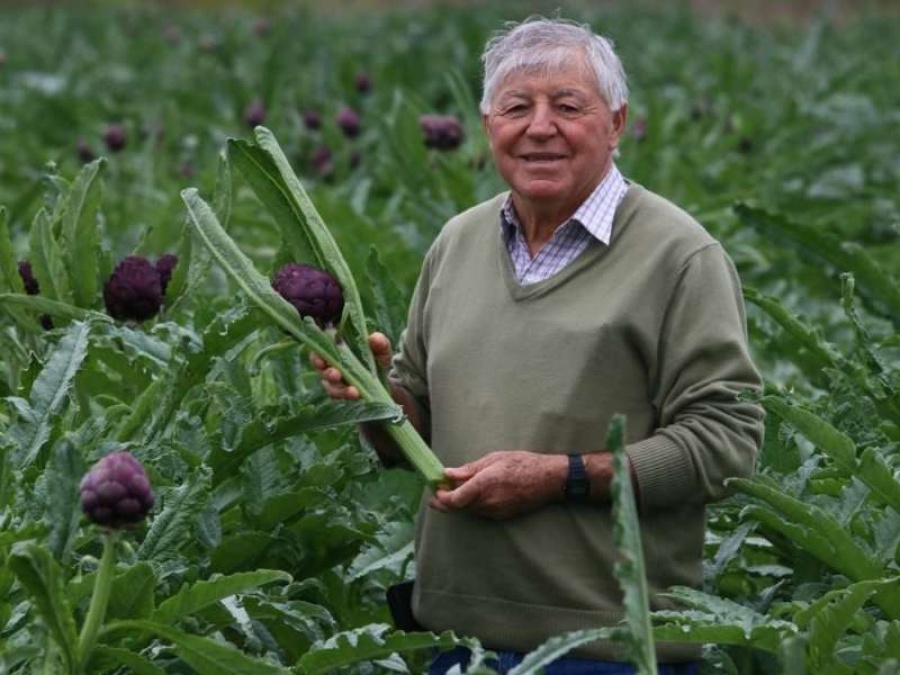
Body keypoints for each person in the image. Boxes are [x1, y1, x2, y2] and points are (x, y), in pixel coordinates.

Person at [312, 15, 764, 675]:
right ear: (488, 124)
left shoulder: (679, 256)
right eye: (517, 107)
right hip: (455, 638)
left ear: (616, 122)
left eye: (568, 106)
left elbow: (726, 444)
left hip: (607, 649)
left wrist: (560, 477)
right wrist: (374, 393)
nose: (540, 127)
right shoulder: (457, 242)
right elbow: (416, 429)